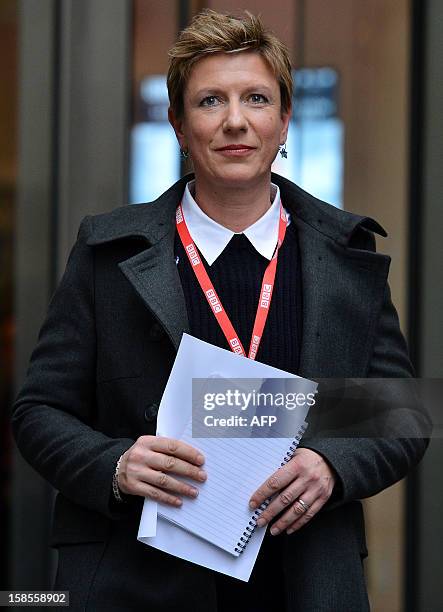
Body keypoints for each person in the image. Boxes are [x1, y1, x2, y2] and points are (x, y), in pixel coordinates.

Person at [12, 9, 429, 612]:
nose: (235, 121)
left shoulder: (344, 255)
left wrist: (332, 463)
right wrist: (115, 462)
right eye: (210, 101)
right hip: (137, 579)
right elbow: (39, 410)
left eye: (256, 98)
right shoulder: (110, 254)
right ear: (180, 126)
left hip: (303, 581)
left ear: (284, 120)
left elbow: (401, 411)